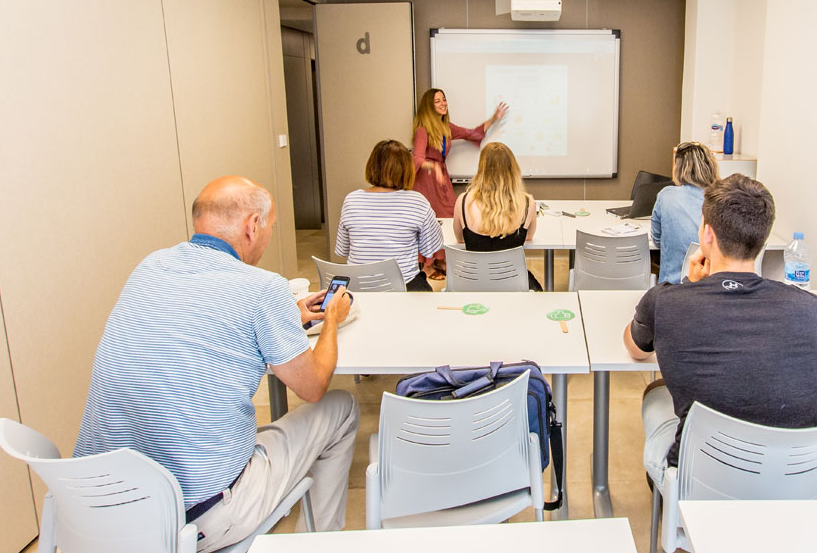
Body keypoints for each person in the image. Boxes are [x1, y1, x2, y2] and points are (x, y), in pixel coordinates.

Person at [74, 176, 358, 552]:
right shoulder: (262, 287)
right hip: (196, 516)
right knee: (342, 408)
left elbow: (196, 322)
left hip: (102, 507)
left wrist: (289, 315)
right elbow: (313, 386)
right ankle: (318, 542)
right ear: (252, 226)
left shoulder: (150, 266)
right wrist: (333, 319)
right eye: (270, 226)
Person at [623, 174, 817, 488]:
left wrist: (689, 287)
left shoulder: (665, 303)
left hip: (702, 476)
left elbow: (635, 349)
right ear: (762, 237)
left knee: (655, 397)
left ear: (707, 234)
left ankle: (667, 501)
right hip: (794, 478)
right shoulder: (815, 310)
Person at [412, 87, 507, 278]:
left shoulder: (447, 127)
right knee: (429, 221)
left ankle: (440, 259)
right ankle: (427, 266)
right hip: (426, 182)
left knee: (448, 215)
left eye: (444, 99)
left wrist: (494, 118)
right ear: (428, 107)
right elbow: (417, 158)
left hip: (441, 179)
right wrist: (434, 168)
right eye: (437, 101)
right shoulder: (423, 130)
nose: (443, 103)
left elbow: (472, 133)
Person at [335, 139, 443, 291]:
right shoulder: (417, 201)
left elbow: (342, 250)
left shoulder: (351, 199)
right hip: (402, 288)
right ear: (407, 169)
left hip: (358, 288)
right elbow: (429, 249)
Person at [452, 142, 542, 290]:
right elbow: (528, 237)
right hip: (513, 284)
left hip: (473, 283)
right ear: (513, 169)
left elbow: (460, 239)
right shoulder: (527, 203)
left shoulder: (463, 201)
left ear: (482, 169)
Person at [651, 141, 719, 284]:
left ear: (678, 168)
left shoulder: (666, 195)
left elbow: (656, 240)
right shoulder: (721, 199)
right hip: (714, 286)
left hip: (672, 287)